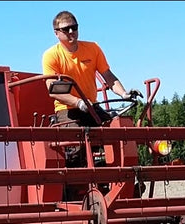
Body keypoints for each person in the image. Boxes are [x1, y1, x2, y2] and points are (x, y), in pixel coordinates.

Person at [41, 10, 141, 167]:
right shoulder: (51, 56)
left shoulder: (93, 48)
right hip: (67, 110)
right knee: (77, 143)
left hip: (92, 107)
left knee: (118, 132)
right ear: (56, 33)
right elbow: (53, 90)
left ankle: (123, 175)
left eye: (74, 27)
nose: (71, 32)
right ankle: (75, 185)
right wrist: (79, 102)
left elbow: (108, 75)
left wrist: (124, 93)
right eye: (66, 29)